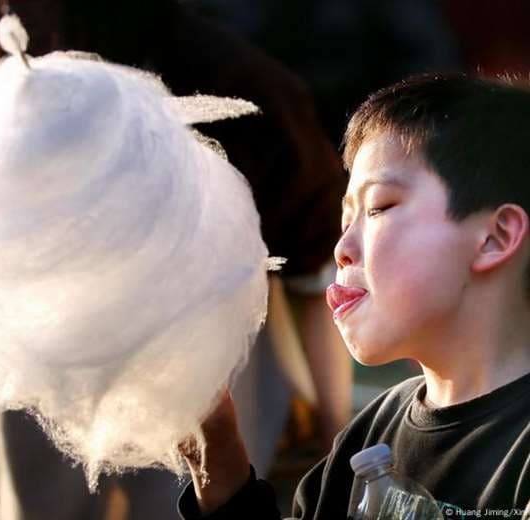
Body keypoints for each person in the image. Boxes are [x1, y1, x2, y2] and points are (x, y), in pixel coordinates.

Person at [0, 1, 350, 518]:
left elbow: (314, 260)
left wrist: (333, 418)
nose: (19, 15)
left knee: (177, 501)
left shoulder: (224, 77)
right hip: (47, 351)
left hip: (207, 355)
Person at [178, 73, 530, 519]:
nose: (342, 250)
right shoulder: (370, 434)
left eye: (379, 207)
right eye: (346, 222)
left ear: (495, 238)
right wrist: (217, 451)